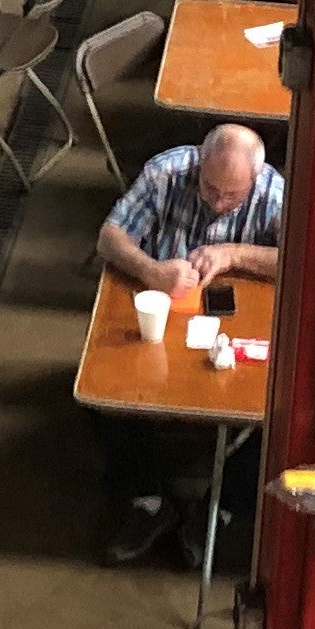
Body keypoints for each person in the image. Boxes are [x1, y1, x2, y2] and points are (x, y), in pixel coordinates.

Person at [93, 124, 289, 563]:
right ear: (199, 163)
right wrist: (150, 269)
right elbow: (110, 237)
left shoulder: (273, 192)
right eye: (210, 189)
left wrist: (234, 253)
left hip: (236, 329)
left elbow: (299, 255)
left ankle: (221, 509)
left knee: (278, 405)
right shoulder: (166, 173)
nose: (218, 203)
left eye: (232, 196)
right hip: (164, 319)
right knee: (108, 390)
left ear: (254, 181)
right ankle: (149, 501)